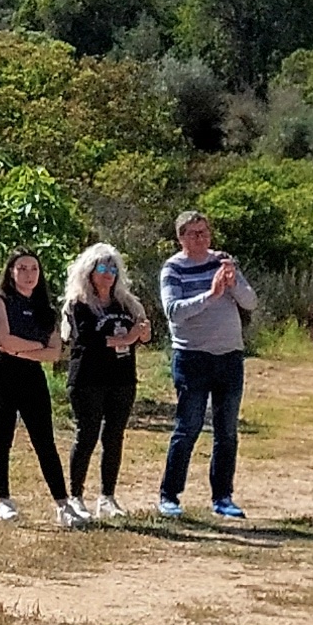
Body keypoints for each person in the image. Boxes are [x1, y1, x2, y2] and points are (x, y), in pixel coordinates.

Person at [158, 210, 257, 519]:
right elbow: (174, 311)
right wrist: (211, 295)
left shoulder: (223, 261)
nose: (201, 238)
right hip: (193, 358)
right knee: (188, 427)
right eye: (193, 233)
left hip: (229, 356)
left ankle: (223, 497)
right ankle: (169, 496)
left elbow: (251, 302)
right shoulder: (173, 269)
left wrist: (233, 283)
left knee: (227, 431)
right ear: (181, 238)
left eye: (204, 232)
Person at [0, 250, 85, 528]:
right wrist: (37, 346)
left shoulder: (46, 308)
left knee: (45, 442)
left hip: (32, 378)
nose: (29, 274)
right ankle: (3, 500)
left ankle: (62, 505)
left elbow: (54, 353)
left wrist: (23, 349)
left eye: (34, 269)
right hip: (1, 376)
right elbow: (4, 341)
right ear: (11, 272)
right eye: (22, 268)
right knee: (2, 437)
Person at [62, 244, 151, 520]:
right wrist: (128, 338)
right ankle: (75, 496)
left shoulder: (126, 303)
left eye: (113, 268)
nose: (108, 273)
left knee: (114, 437)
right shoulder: (78, 304)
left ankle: (107, 497)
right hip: (88, 379)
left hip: (122, 378)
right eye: (102, 267)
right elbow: (88, 340)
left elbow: (144, 336)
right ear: (89, 272)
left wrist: (143, 333)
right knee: (86, 436)